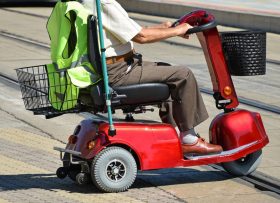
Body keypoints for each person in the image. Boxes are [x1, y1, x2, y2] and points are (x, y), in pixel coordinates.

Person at [81, 0, 223, 155]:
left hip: (117, 66)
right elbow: (141, 37)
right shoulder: (104, 4)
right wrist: (178, 30)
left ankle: (175, 137)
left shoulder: (91, 2)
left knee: (166, 71)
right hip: (120, 71)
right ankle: (189, 140)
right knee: (183, 75)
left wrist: (163, 28)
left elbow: (133, 30)